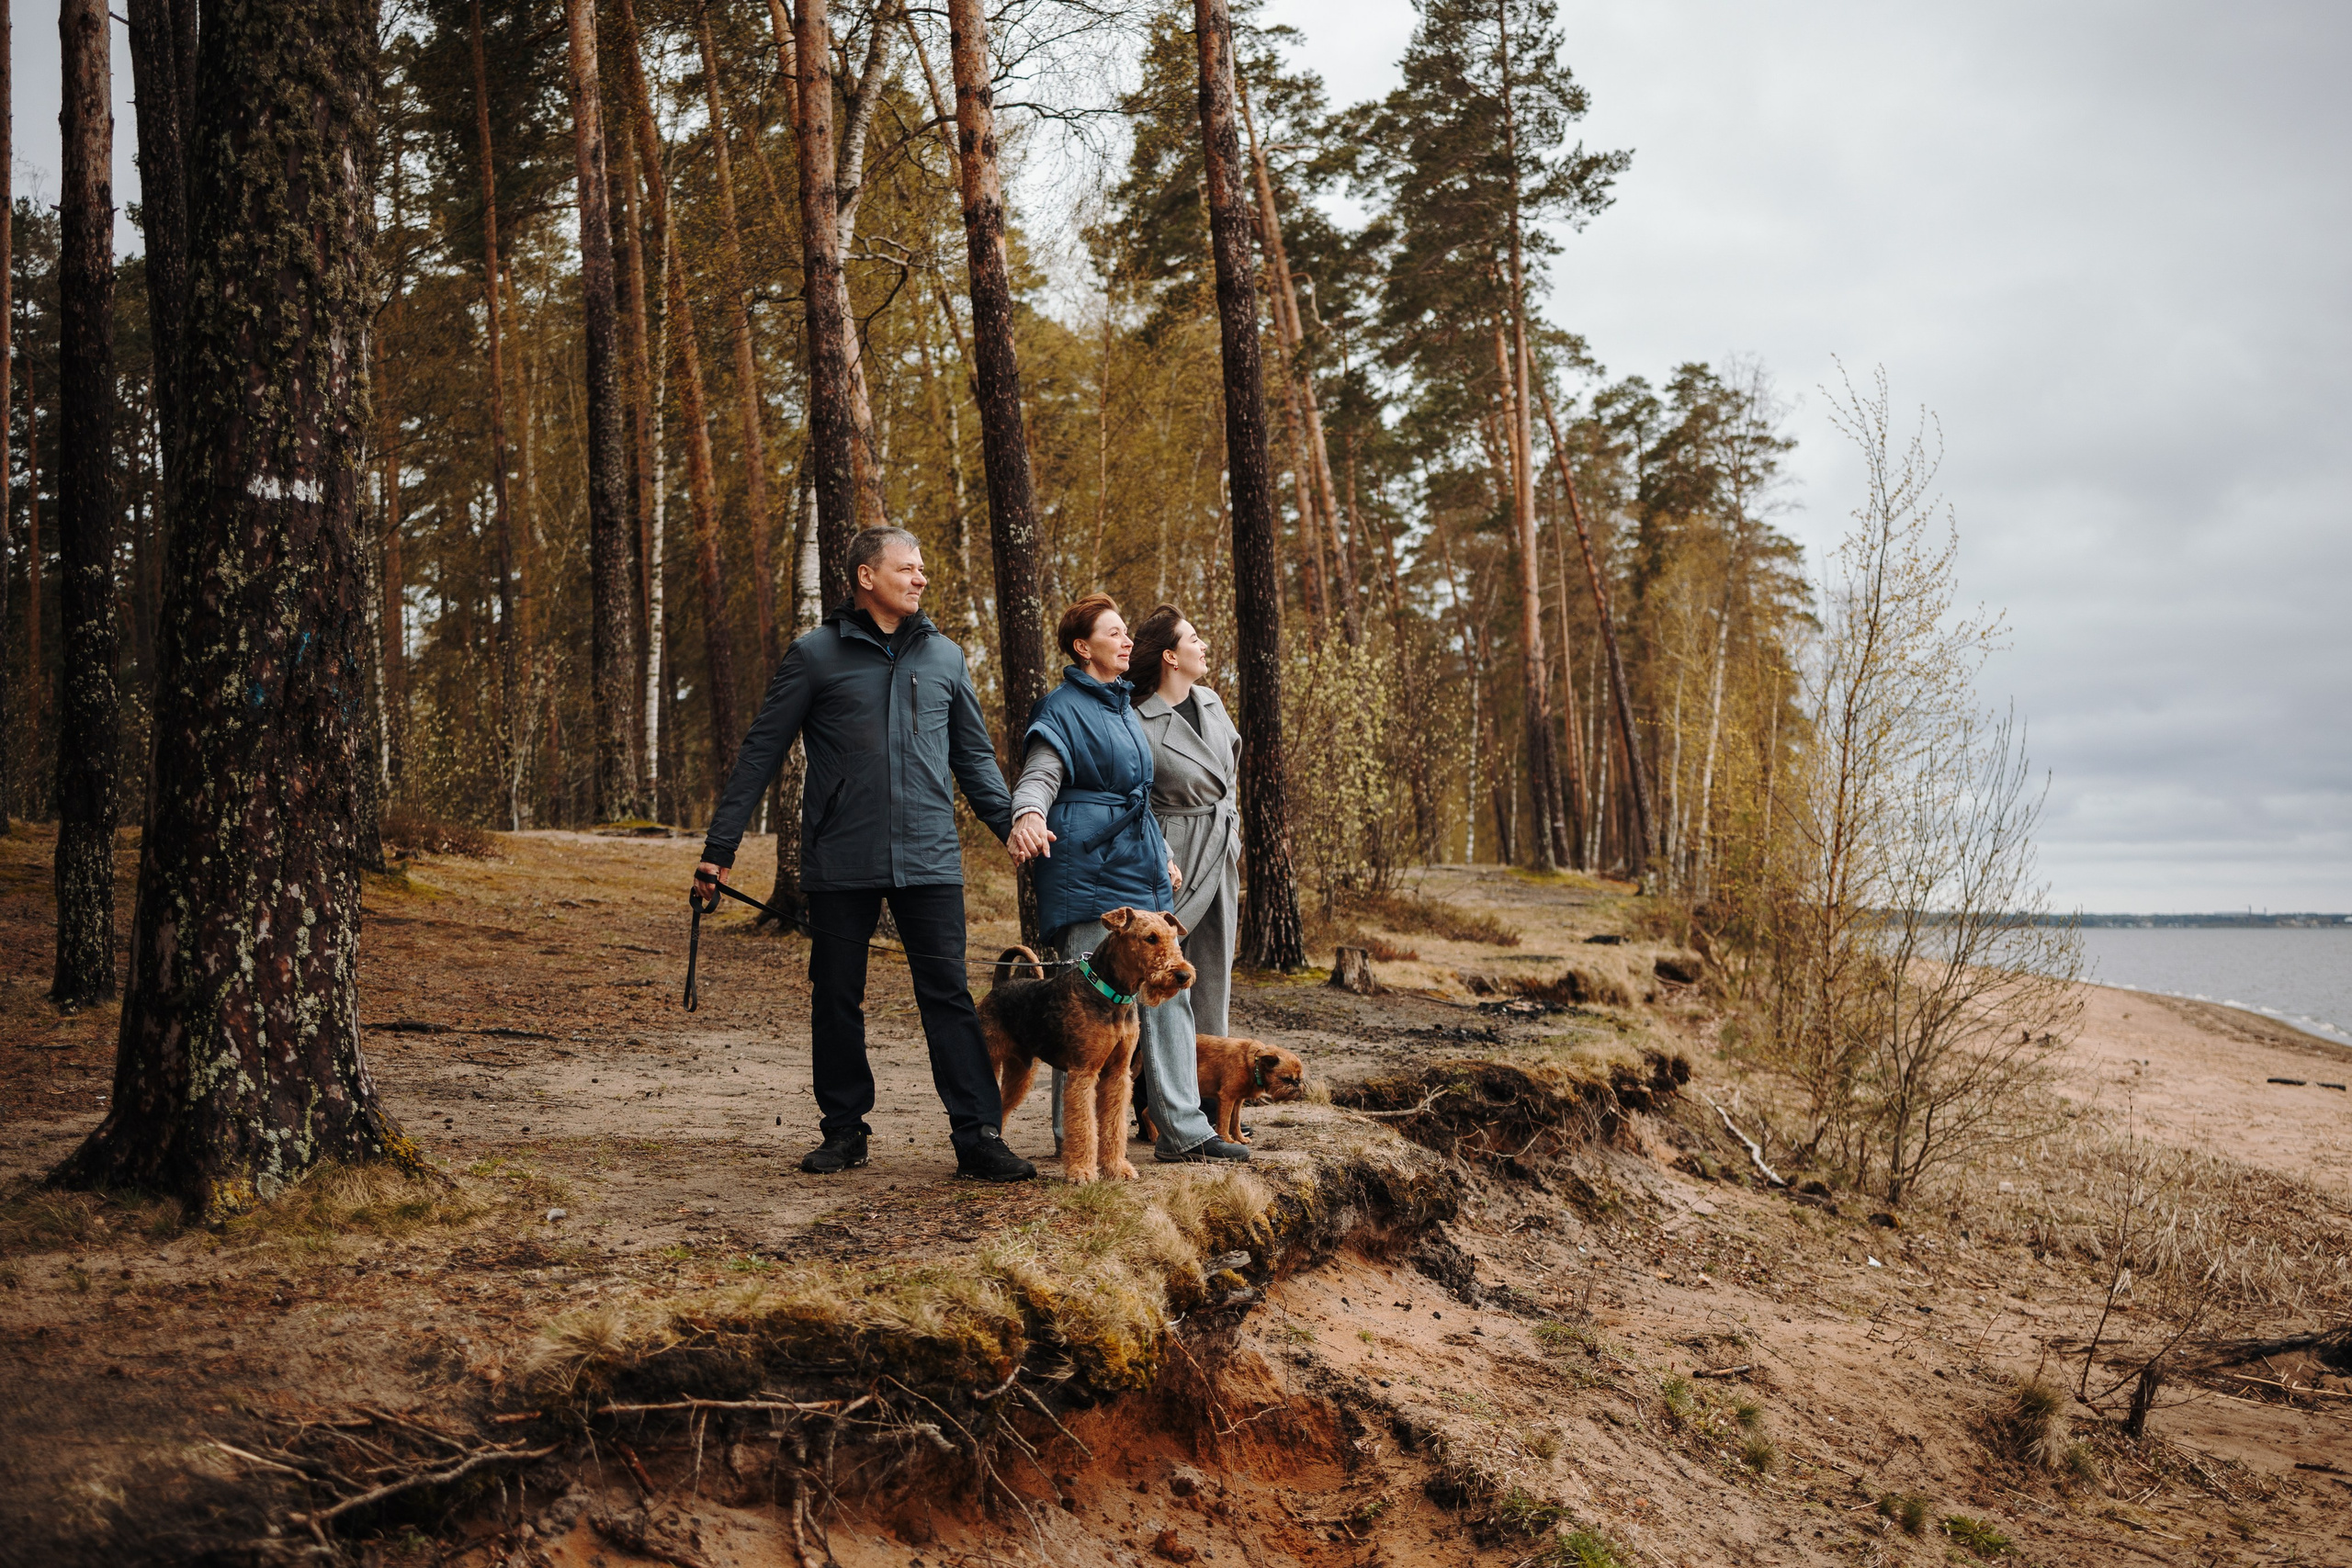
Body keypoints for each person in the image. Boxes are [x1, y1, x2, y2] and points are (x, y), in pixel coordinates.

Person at [690, 525, 1035, 1183]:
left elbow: (974, 761)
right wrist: (719, 849)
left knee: (949, 997)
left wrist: (1011, 826)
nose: (920, 577)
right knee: (837, 996)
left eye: (923, 567)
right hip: (840, 856)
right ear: (865, 577)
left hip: (930, 856)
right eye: (906, 567)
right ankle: (844, 1130)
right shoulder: (815, 655)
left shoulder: (945, 657)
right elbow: (760, 754)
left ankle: (978, 1134)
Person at [1006, 596, 1249, 1165]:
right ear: (1082, 647)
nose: (1126, 643)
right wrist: (1029, 814)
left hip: (1139, 865)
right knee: (1082, 1011)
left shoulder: (1122, 707)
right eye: (1113, 634)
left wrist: (1161, 851)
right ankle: (1079, 1141)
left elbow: (1142, 798)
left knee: (1167, 994)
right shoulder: (1062, 708)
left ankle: (1185, 1129)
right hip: (1088, 870)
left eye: (1127, 634)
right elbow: (1041, 771)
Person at [1126, 605, 1250, 1159]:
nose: (1205, 645)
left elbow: (1227, 773)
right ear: (1170, 656)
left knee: (1213, 977)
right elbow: (1132, 794)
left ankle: (1201, 1108)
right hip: (1170, 853)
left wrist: (1233, 834)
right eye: (1194, 638)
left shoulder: (1211, 702)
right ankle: (1151, 1107)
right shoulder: (1138, 718)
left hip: (1219, 848)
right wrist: (1158, 849)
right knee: (1158, 976)